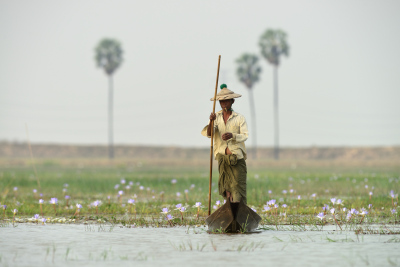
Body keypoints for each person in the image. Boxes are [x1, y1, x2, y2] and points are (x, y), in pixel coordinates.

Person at [201, 84, 249, 204]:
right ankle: (229, 207)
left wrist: (232, 135)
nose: (224, 104)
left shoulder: (239, 118)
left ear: (232, 101)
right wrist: (211, 122)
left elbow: (245, 135)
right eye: (221, 102)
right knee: (226, 186)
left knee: (237, 185)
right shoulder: (215, 117)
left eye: (226, 101)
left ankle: (239, 209)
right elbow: (210, 134)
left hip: (236, 157)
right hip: (222, 157)